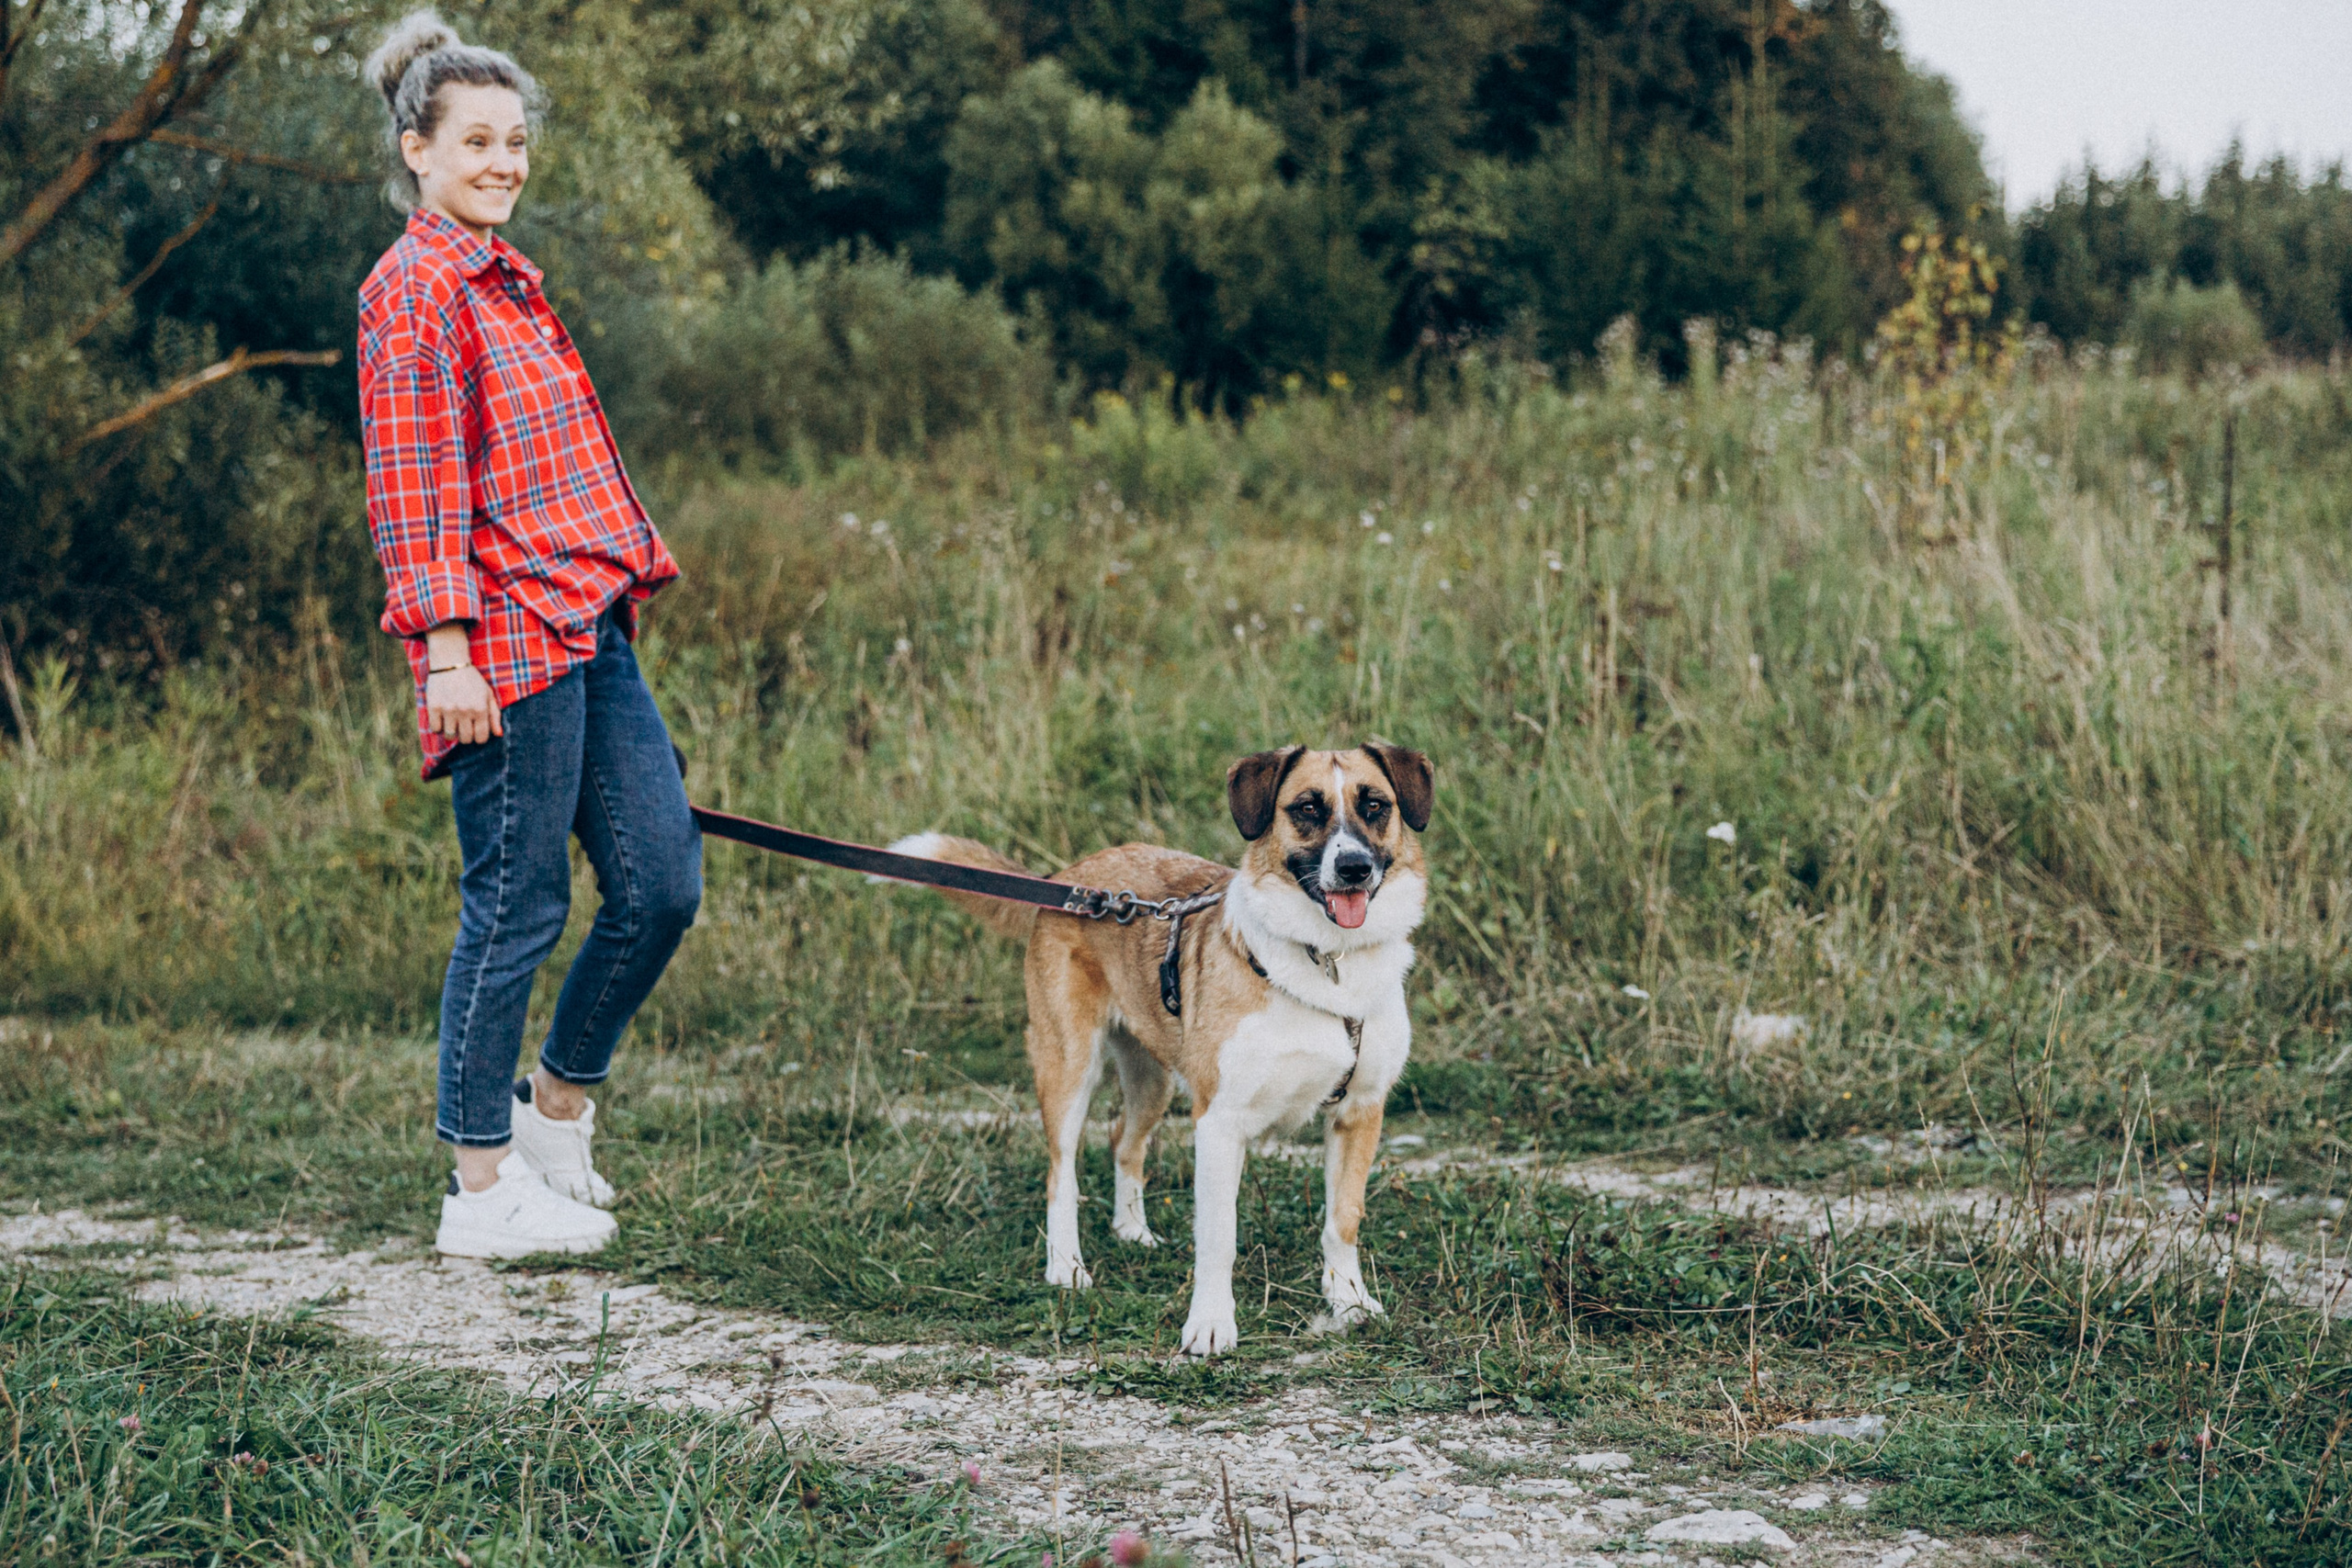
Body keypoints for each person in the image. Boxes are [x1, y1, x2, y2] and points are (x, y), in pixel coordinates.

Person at [357, 11, 701, 1259]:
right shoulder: (414, 291)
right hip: (499, 646)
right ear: (417, 152)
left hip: (586, 624)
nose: (503, 161)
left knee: (661, 881)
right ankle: (482, 1188)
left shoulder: (502, 283)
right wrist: (445, 651)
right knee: (514, 910)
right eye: (477, 142)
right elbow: (416, 484)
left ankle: (555, 1111)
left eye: (515, 141)